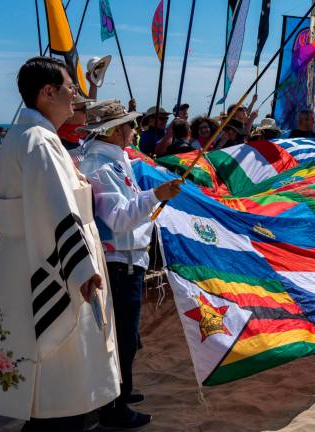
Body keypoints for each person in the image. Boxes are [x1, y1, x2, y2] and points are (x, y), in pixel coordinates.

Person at [0, 57, 120, 431]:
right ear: (47, 92)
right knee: (59, 377)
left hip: (28, 255)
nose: (75, 95)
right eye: (70, 86)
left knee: (40, 373)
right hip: (50, 262)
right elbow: (56, 207)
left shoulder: (27, 135)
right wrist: (82, 269)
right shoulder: (39, 140)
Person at [79, 100, 181, 429]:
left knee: (127, 336)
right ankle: (114, 406)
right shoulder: (100, 165)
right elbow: (119, 219)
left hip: (128, 260)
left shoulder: (115, 160)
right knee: (121, 337)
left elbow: (129, 207)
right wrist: (156, 196)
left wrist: (152, 200)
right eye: (128, 125)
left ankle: (122, 389)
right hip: (118, 263)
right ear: (112, 130)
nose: (133, 130)